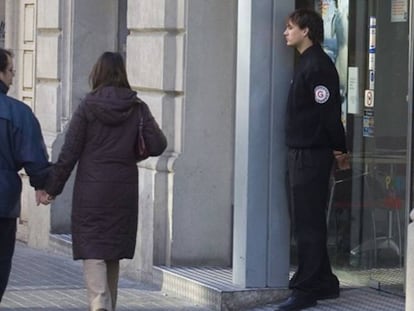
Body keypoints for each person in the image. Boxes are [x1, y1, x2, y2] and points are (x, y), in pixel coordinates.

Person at [38, 51, 167, 311]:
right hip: (123, 193)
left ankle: (100, 306)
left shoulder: (88, 106)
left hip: (92, 194)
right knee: (111, 255)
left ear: (97, 74)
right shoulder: (137, 107)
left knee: (95, 254)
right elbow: (158, 144)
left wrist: (51, 188)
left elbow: (69, 153)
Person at [277, 8, 350, 311]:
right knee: (307, 219)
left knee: (308, 222)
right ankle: (323, 280)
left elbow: (329, 114)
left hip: (311, 155)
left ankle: (306, 287)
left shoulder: (318, 66)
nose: (286, 32)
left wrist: (340, 150)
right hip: (302, 153)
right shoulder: (306, 63)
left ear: (306, 31)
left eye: (291, 27)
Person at [0, 48, 50, 302]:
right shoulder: (17, 112)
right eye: (11, 72)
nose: (13, 78)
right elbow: (34, 156)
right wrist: (43, 185)